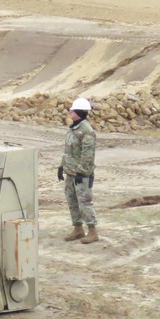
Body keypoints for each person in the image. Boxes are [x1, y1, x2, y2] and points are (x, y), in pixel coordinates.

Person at [58, 97, 98, 244]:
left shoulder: (87, 131)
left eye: (72, 110)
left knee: (84, 202)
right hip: (70, 172)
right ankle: (78, 228)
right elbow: (68, 151)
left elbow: (87, 155)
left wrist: (82, 172)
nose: (70, 112)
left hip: (81, 175)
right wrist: (62, 166)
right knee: (72, 201)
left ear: (79, 112)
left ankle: (92, 231)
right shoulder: (73, 129)